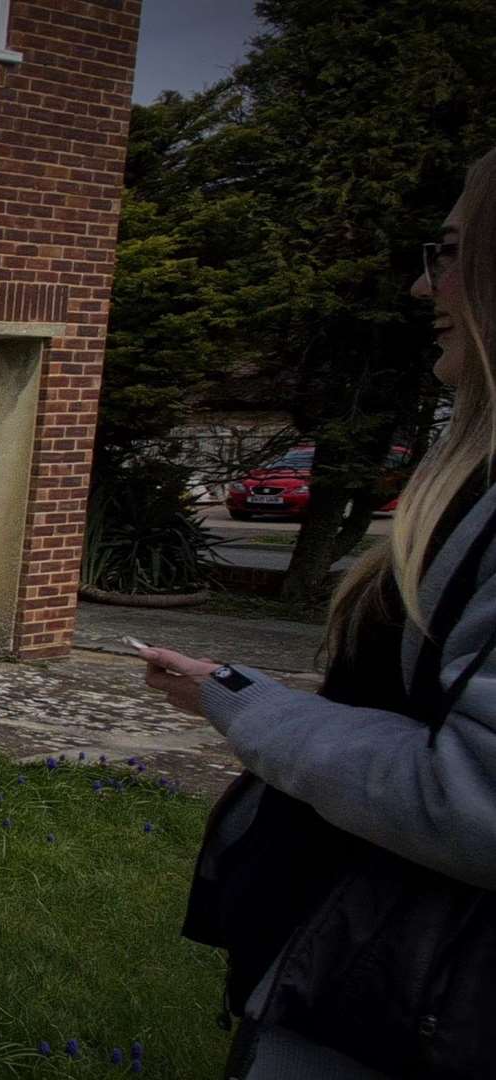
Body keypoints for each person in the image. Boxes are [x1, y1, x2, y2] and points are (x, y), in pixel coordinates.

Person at [139, 148, 496, 1079]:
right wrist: (236, 692)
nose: (424, 286)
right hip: (367, 967)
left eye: (450, 252)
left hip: (416, 1004)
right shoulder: (474, 481)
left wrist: (259, 717)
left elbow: (476, 798)